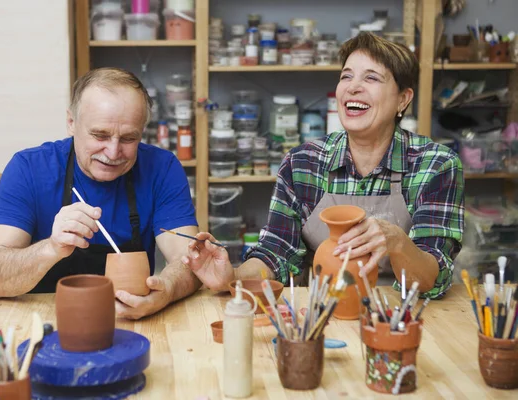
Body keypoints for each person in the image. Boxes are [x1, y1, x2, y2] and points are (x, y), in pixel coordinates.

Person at [184, 32, 464, 299]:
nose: (353, 86)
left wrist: (398, 242)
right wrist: (232, 278)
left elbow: (433, 279)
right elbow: (276, 252)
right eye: (346, 76)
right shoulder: (303, 163)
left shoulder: (436, 166)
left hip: (403, 316)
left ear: (403, 99)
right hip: (324, 315)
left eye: (372, 77)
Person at [0, 67, 202, 319]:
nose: (113, 152)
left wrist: (167, 289)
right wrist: (51, 248)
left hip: (131, 319)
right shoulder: (29, 169)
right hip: (43, 322)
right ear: (71, 123)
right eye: (100, 135)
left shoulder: (161, 168)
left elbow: (191, 261)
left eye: (128, 138)